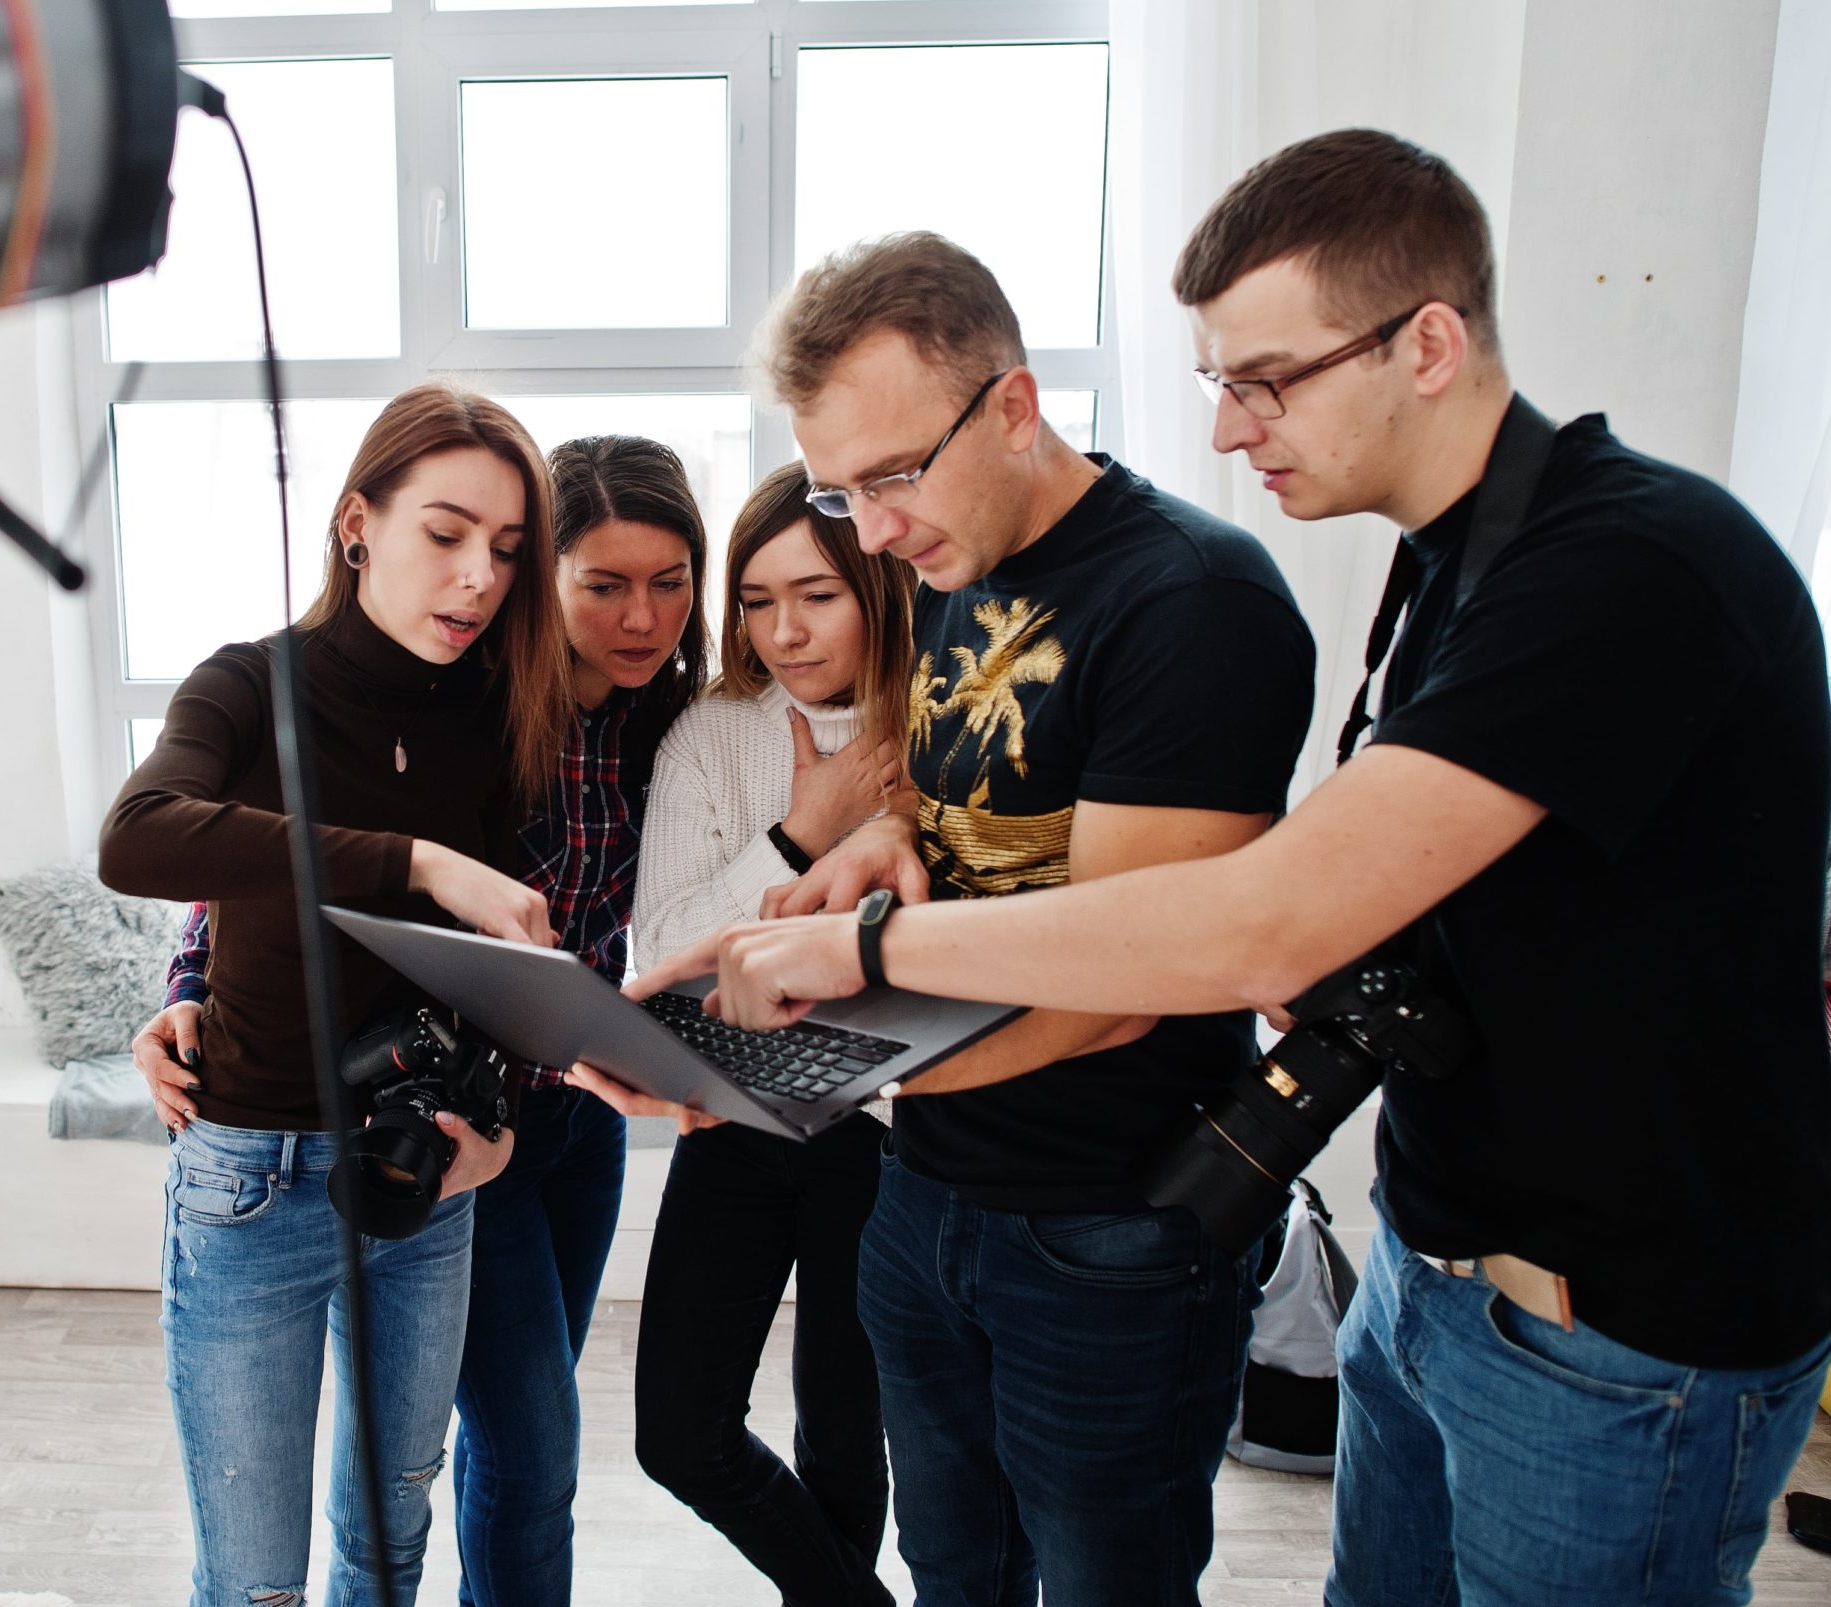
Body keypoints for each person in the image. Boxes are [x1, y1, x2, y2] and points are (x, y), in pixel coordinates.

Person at [634, 131, 1831, 1607]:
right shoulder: (1459, 557)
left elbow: (1258, 923)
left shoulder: (1624, 563)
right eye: (1216, 383)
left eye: (1264, 380)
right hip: (1438, 1259)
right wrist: (887, 844)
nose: (1226, 429)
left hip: (1615, 1322)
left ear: (1429, 342)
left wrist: (850, 977)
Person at [582, 228, 1319, 1606]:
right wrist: (850, 854)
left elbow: (1128, 975)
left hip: (1108, 1226)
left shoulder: (1190, 602)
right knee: (954, 1570)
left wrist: (797, 1058)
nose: (871, 530)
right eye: (834, 487)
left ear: (1018, 406)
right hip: (928, 1198)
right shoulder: (958, 568)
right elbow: (955, 798)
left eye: (894, 475)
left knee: (1104, 1580)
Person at [133, 434, 713, 1607]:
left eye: (670, 581)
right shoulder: (454, 706)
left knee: (439, 1483)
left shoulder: (673, 727)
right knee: (515, 1447)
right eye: (601, 582)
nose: (640, 616)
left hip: (550, 1124)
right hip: (403, 1125)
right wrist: (188, 983)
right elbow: (232, 848)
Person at [100, 382, 568, 1607]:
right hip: (251, 1170)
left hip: (427, 1175)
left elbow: (515, 966)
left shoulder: (506, 709)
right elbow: (140, 840)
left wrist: (501, 1122)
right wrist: (414, 860)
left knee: (389, 1538)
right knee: (255, 1578)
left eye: (508, 552)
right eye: (446, 533)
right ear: (358, 522)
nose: (477, 578)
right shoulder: (250, 682)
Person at [627, 462, 914, 1607]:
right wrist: (802, 832)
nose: (784, 630)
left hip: (887, 1125)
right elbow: (666, 949)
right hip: (736, 1109)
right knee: (677, 1430)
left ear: (878, 584)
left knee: (847, 1436)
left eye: (817, 595)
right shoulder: (714, 733)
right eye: (755, 600)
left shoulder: (939, 716)